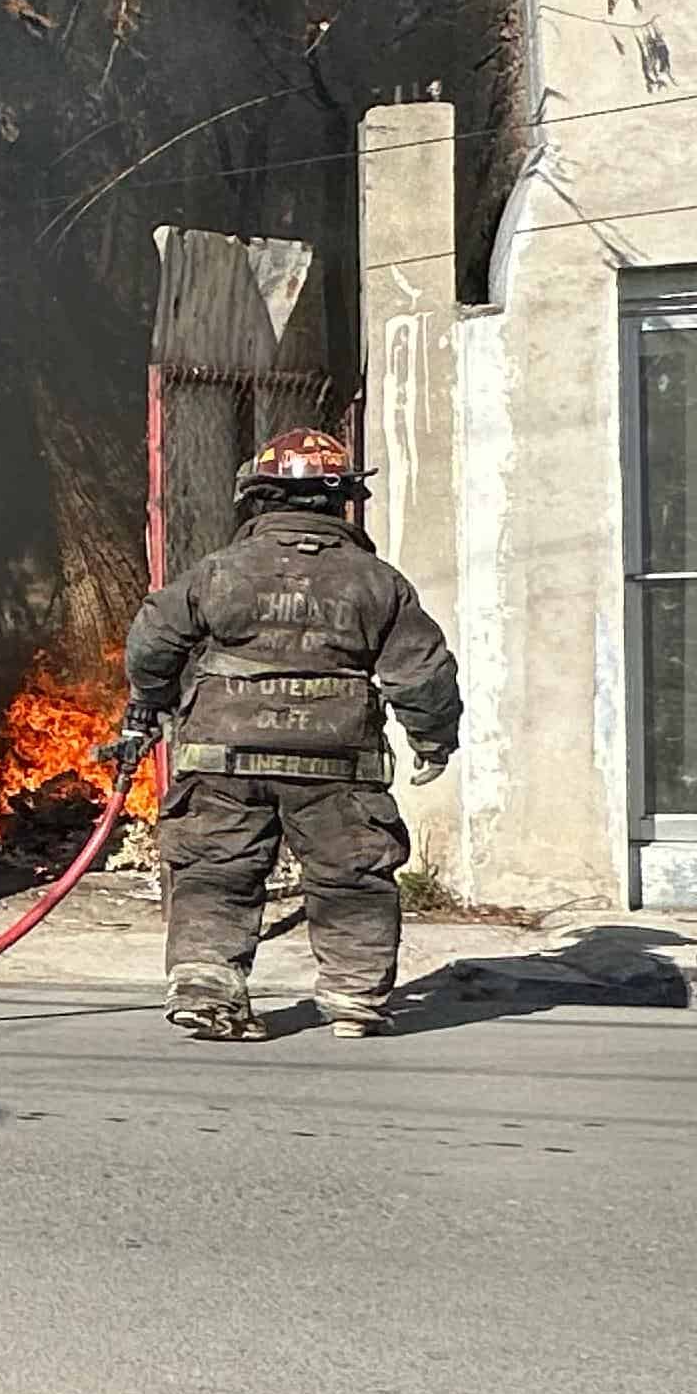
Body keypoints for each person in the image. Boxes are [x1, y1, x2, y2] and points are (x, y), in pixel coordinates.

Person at [121, 427, 461, 1040]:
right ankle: (354, 996)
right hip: (337, 764)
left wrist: (149, 705)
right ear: (341, 502)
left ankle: (205, 982)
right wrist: (431, 741)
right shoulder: (376, 581)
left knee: (213, 868)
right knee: (350, 874)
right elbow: (422, 671)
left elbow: (153, 638)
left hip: (223, 758)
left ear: (257, 497)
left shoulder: (219, 571)